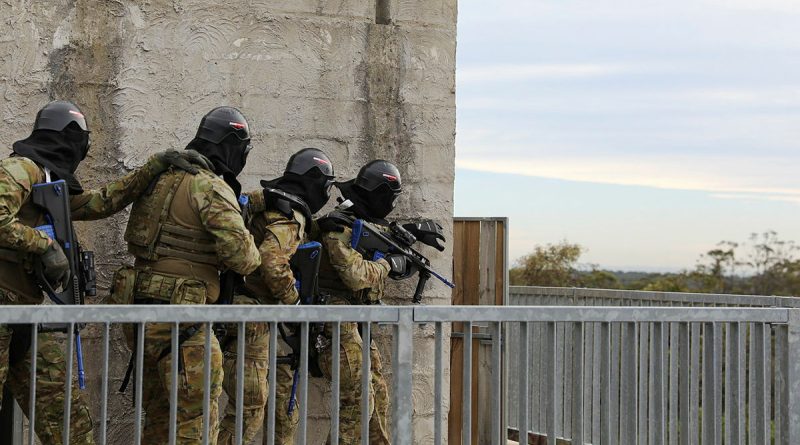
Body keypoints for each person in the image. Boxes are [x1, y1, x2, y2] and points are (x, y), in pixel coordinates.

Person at [0, 100, 207, 444]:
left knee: (68, 423)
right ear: (68, 137)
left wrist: (153, 167)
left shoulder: (50, 182)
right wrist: (43, 246)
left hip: (24, 314)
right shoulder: (21, 169)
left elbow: (102, 202)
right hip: (5, 308)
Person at [111, 106, 261, 444]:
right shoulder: (210, 187)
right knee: (195, 426)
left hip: (140, 316)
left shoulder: (159, 177)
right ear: (231, 145)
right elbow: (244, 258)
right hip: (186, 321)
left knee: (159, 421)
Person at [217, 147, 335, 445]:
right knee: (249, 411)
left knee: (283, 406)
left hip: (260, 319)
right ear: (313, 181)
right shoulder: (290, 213)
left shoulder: (270, 201)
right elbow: (273, 263)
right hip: (253, 319)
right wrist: (294, 303)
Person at [315, 160, 410, 444]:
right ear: (379, 193)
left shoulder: (363, 225)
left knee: (377, 396)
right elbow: (356, 276)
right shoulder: (338, 226)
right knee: (358, 402)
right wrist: (386, 266)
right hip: (335, 322)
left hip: (356, 323)